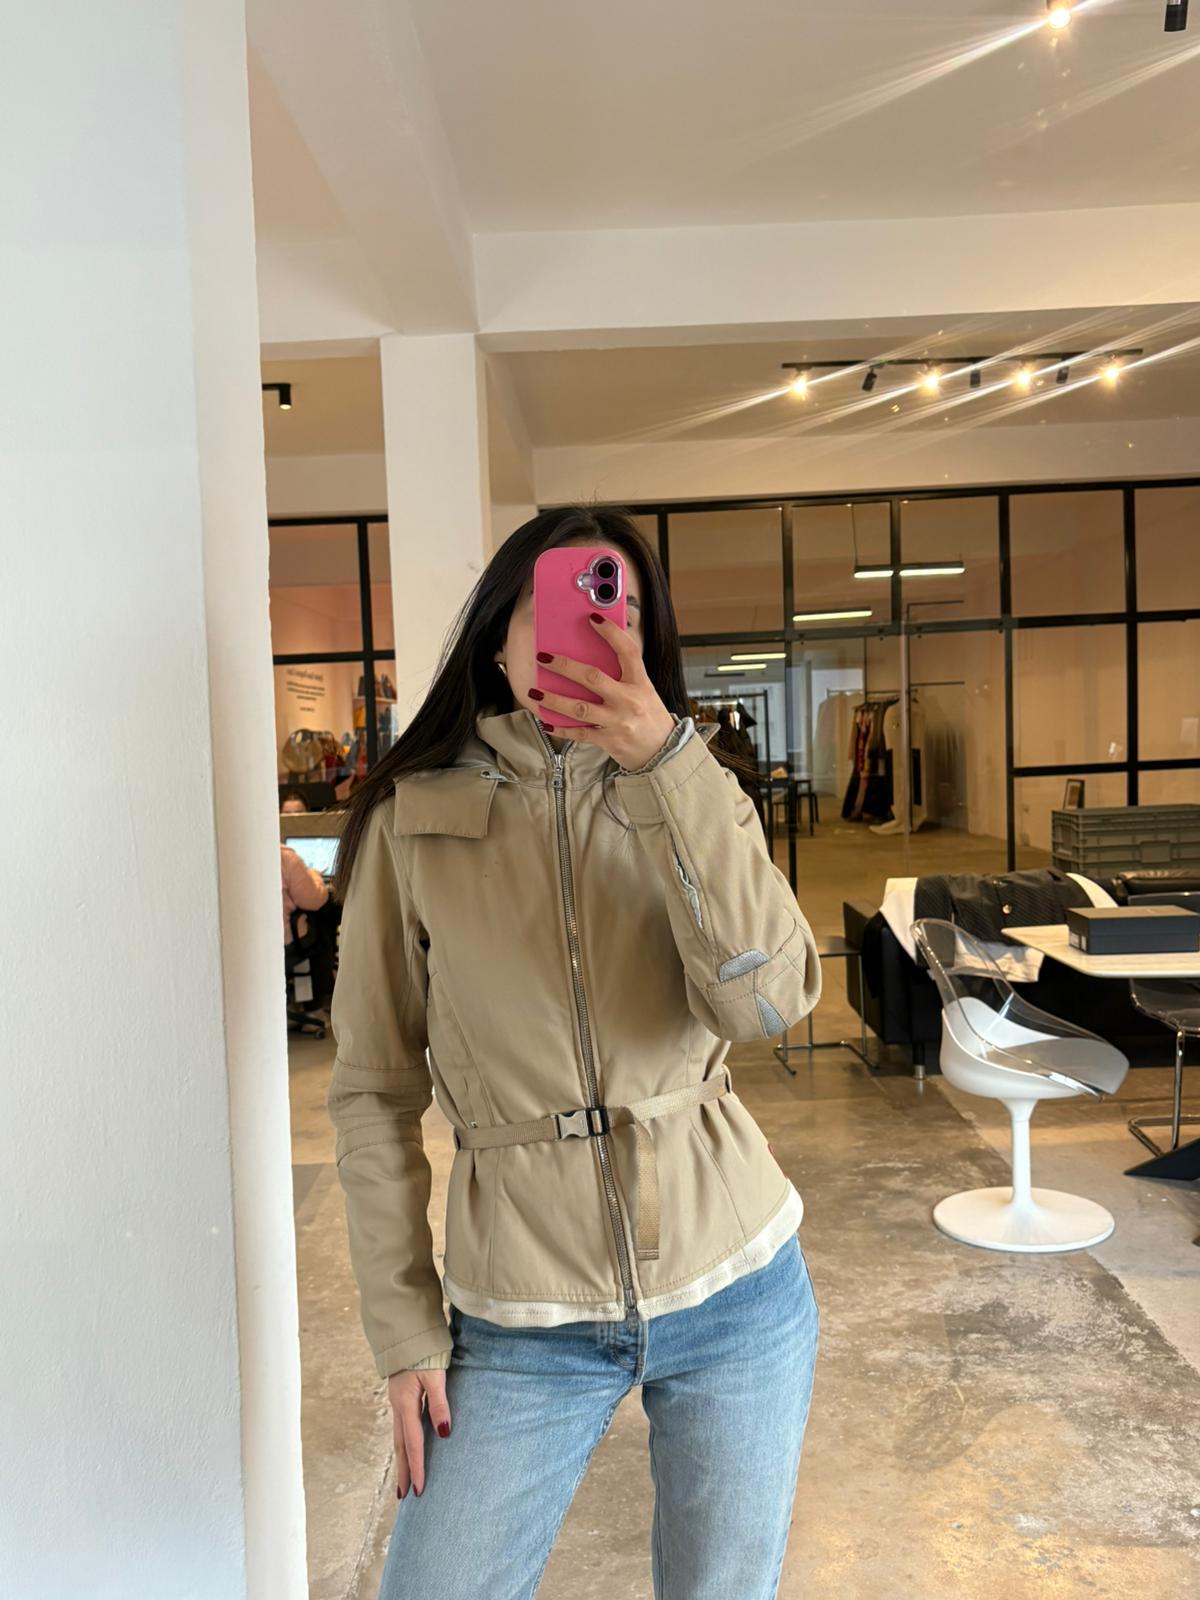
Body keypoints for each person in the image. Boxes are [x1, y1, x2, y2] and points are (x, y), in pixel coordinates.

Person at [326, 505, 823, 1599]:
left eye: (620, 612)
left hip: (738, 1287)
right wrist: (403, 1326)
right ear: (501, 639)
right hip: (520, 1318)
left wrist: (669, 770)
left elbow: (769, 1003)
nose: (594, 633)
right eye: (561, 610)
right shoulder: (411, 822)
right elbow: (370, 1091)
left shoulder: (696, 785)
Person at [280, 843, 328, 946]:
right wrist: (315, 876)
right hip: (287, 940)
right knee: (328, 909)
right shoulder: (286, 857)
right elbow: (314, 900)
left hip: (259, 938)